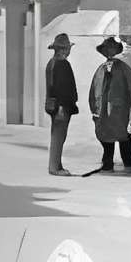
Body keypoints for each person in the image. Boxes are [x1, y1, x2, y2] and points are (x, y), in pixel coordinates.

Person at [87, 36, 131, 174]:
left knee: (124, 139)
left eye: (112, 51)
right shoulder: (100, 70)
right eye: (107, 51)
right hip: (104, 111)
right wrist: (94, 109)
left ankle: (129, 164)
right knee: (106, 139)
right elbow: (94, 91)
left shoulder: (124, 69)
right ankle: (108, 163)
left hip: (121, 110)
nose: (110, 55)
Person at [43, 32, 78, 175]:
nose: (69, 51)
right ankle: (55, 167)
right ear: (63, 49)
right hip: (61, 106)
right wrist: (63, 106)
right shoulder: (62, 64)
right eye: (67, 48)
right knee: (59, 136)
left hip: (54, 105)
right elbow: (62, 88)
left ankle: (57, 165)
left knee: (57, 135)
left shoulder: (51, 63)